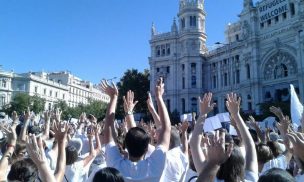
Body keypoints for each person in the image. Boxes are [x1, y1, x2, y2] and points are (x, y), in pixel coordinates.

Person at [101, 77, 171, 182]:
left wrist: (113, 98)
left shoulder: (115, 166)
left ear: (126, 146)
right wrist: (159, 97)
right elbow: (166, 128)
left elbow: (108, 130)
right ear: (147, 149)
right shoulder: (154, 167)